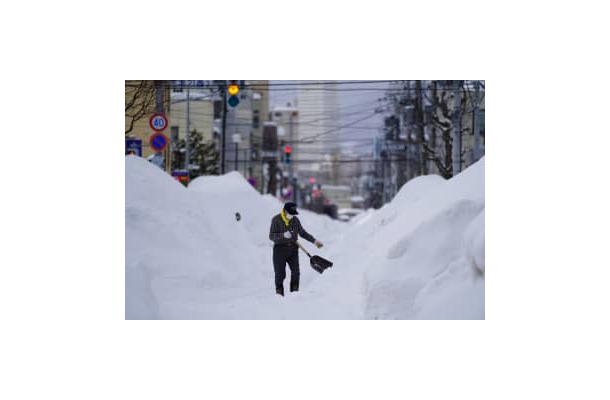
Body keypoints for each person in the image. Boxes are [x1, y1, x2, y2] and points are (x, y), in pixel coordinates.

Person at [269, 202, 323, 296]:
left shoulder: (295, 220)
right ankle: (279, 295)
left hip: (293, 249)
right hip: (279, 250)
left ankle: (294, 294)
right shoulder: (276, 220)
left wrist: (314, 241)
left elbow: (302, 233)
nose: (292, 215)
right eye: (290, 213)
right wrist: (282, 235)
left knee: (296, 272)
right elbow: (271, 236)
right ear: (285, 211)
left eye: (293, 213)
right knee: (280, 274)